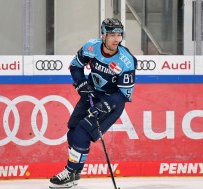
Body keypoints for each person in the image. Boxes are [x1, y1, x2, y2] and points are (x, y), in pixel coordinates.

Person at [49, 18, 137, 188]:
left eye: (119, 35)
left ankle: (69, 171)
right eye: (112, 34)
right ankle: (75, 173)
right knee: (73, 131)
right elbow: (75, 66)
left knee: (83, 132)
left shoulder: (126, 61)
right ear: (103, 35)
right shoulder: (91, 47)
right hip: (91, 94)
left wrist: (104, 105)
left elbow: (125, 94)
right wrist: (81, 83)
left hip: (111, 102)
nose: (116, 39)